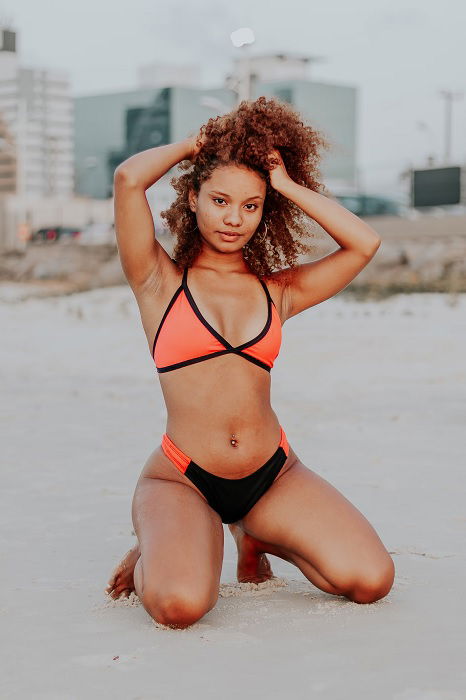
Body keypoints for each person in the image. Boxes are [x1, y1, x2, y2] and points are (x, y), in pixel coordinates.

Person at [105, 96, 394, 629]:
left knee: (371, 581)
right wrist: (201, 145)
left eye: (251, 205)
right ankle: (156, 546)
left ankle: (255, 531)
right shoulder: (157, 281)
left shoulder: (276, 292)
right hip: (184, 479)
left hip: (273, 473)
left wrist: (284, 184)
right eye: (219, 200)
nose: (234, 218)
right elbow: (128, 180)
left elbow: (364, 243)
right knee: (180, 607)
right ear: (192, 198)